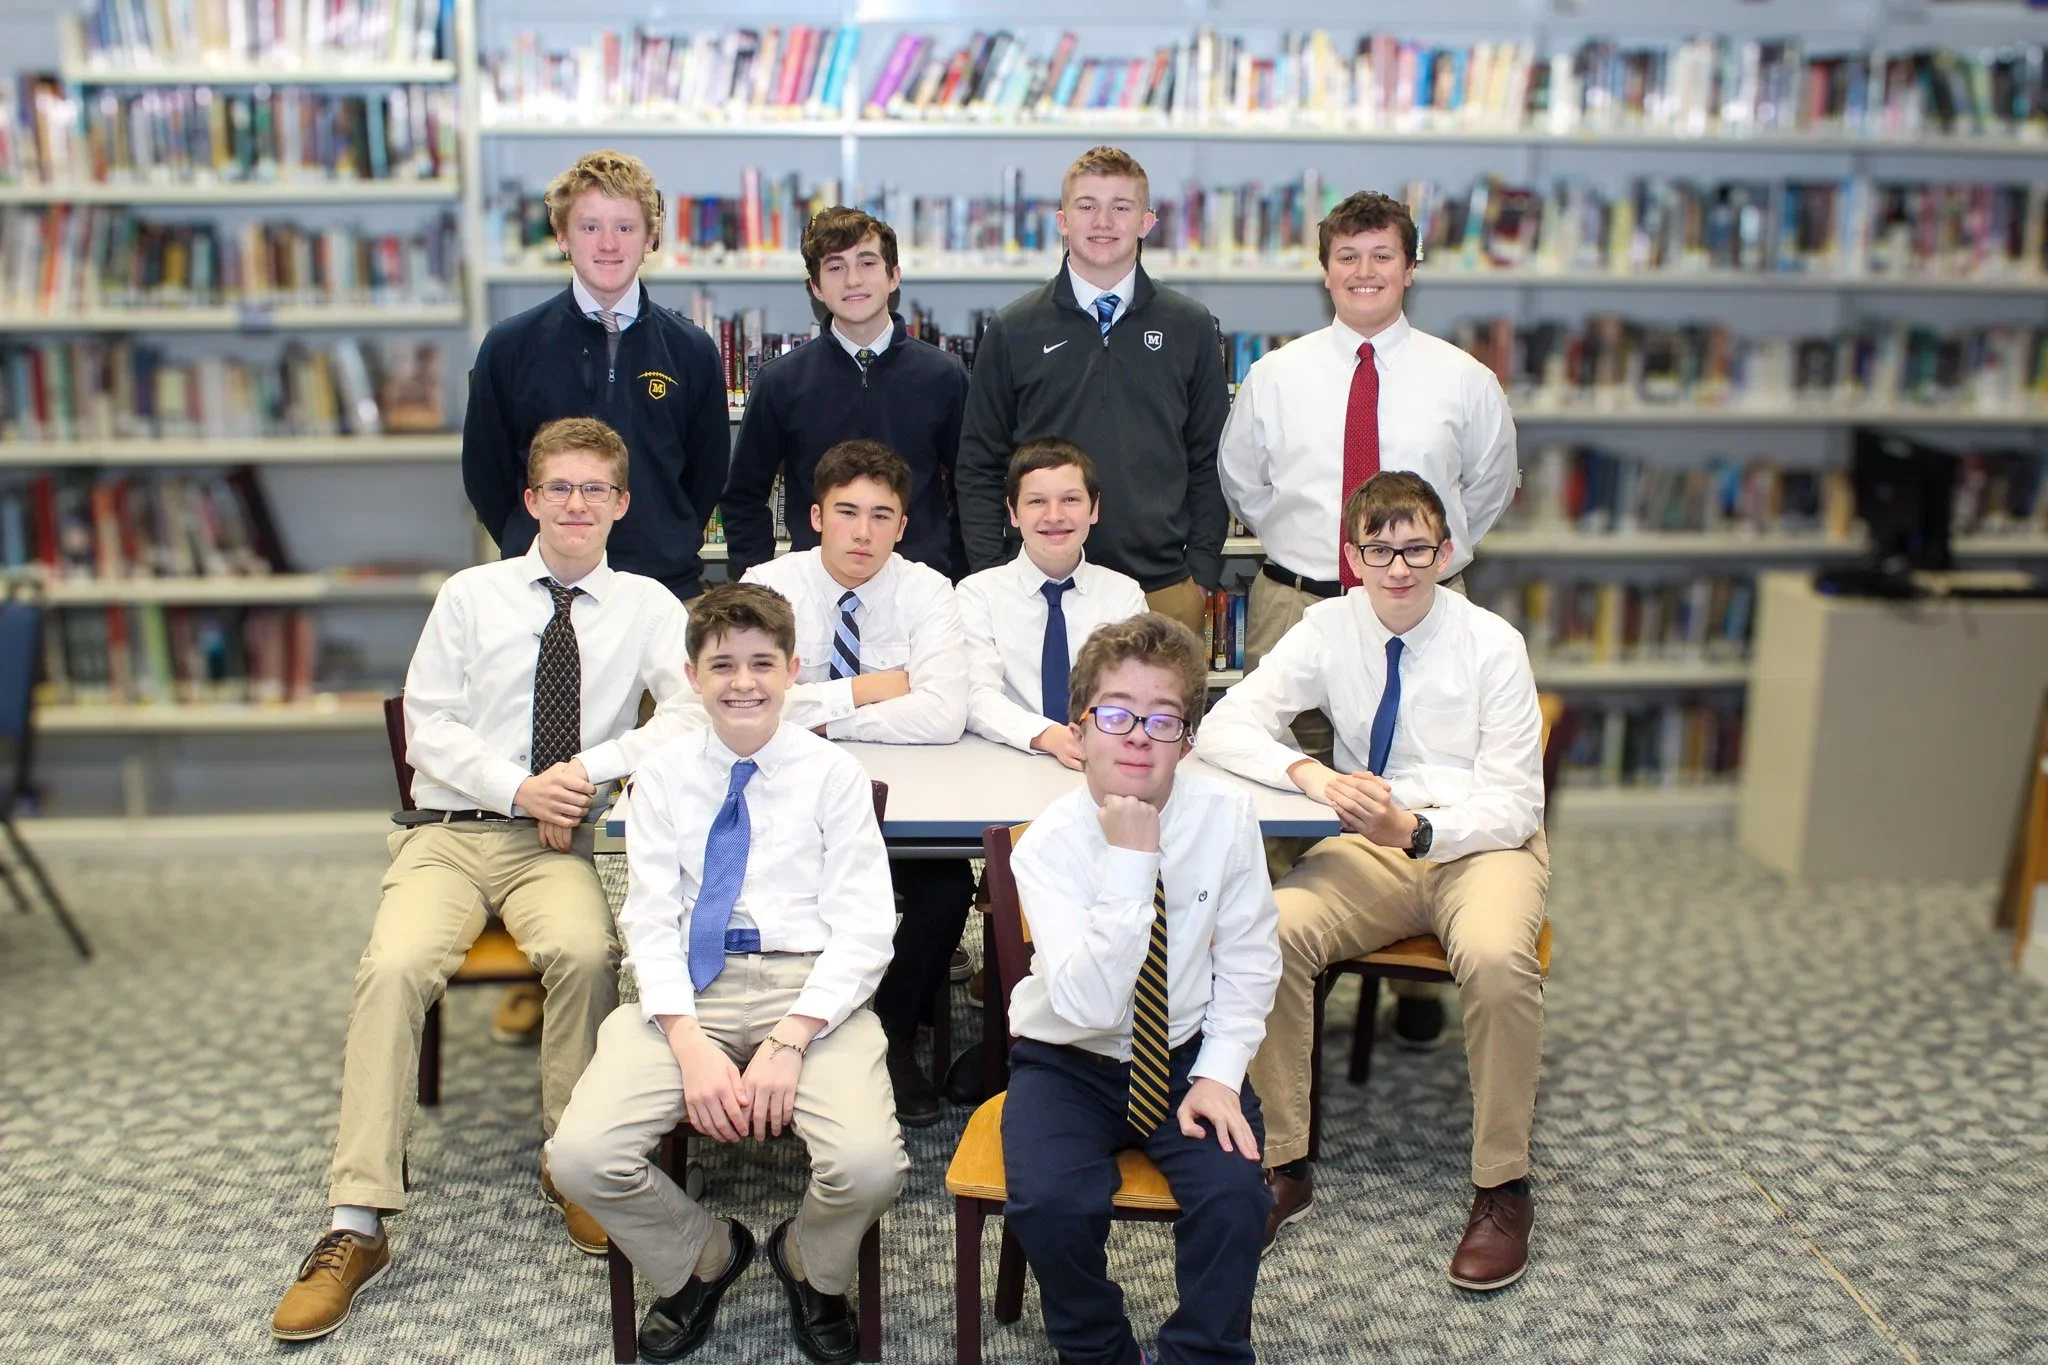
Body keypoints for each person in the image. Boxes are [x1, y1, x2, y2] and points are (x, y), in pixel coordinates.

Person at [271, 417, 698, 1342]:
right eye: (560, 488)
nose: (577, 504)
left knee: (587, 952)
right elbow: (427, 727)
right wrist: (517, 785)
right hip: (450, 835)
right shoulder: (471, 595)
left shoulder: (650, 606)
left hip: (557, 841)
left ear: (622, 504)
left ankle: (572, 1160)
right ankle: (356, 1219)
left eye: (595, 489)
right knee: (393, 968)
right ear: (531, 500)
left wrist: (583, 771)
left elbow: (691, 714)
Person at [1198, 471, 1549, 1290]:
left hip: (1482, 843)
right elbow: (1225, 724)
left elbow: (1515, 801)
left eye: (1416, 548)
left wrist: (1420, 830)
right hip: (1372, 845)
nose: (1398, 567)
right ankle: (1283, 1161)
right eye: (1380, 550)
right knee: (1272, 929)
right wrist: (1312, 776)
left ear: (1446, 552)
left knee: (1497, 960)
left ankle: (1503, 1185)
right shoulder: (1328, 627)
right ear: (1351, 557)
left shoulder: (1492, 642)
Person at [548, 583, 907, 1365]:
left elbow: (866, 927)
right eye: (722, 665)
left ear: (793, 669)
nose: (743, 682)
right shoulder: (661, 776)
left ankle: (807, 1259)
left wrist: (791, 1037)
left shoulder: (833, 774)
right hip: (689, 990)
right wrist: (687, 1042)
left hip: (808, 989)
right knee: (578, 1156)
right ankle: (705, 1253)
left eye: (762, 663)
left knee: (870, 1165)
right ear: (692, 676)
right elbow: (648, 919)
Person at [1219, 188, 1519, 1049]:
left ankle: (1414, 953)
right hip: (1300, 601)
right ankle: (1288, 978)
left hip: (1420, 606)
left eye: (1382, 255)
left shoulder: (1464, 379)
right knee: (1276, 786)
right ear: (1324, 271)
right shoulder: (1276, 375)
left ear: (1411, 268)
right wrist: (1319, 550)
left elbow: (1488, 489)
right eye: (1346, 257)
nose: (1364, 272)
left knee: (1429, 776)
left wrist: (1412, 566)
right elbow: (1244, 482)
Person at [462, 148, 730, 1048]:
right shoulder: (513, 345)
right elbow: (488, 470)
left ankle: (681, 975)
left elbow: (704, 472)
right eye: (590, 226)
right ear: (562, 235)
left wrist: (661, 546)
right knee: (548, 786)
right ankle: (545, 969)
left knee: (679, 787)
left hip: (661, 598)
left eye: (625, 226)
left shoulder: (688, 350)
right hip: (547, 605)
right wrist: (542, 550)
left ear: (651, 236)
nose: (608, 242)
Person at [1003, 612, 1280, 1365]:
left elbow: (1251, 958)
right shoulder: (1048, 845)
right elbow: (1090, 1006)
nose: (1137, 737)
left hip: (1184, 1053)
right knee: (1051, 1203)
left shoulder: (1226, 818)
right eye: (1115, 714)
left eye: (1163, 720)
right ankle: (1097, 1349)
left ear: (1187, 740)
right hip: (1068, 1061)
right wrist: (1132, 862)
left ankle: (1204, 1353)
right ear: (1079, 730)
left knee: (1236, 1199)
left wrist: (1220, 1073)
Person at [741, 440, 970, 1127]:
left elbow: (942, 714)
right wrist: (867, 690)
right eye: (846, 512)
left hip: (904, 794)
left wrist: (815, 714)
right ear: (815, 517)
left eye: (881, 515)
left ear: (903, 525)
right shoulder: (768, 585)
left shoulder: (927, 590)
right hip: (789, 802)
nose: (863, 532)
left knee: (947, 888)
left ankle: (892, 1033)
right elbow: (747, 701)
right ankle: (789, 1022)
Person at [954, 145, 1231, 639]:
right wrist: (992, 571)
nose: (1103, 221)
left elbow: (1209, 457)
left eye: (1121, 206)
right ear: (1062, 221)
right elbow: (980, 463)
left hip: (1161, 588)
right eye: (1087, 206)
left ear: (1147, 222)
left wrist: (1201, 572)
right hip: (1040, 587)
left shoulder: (1190, 326)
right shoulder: (1014, 328)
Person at [722, 205, 970, 579]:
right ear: (816, 287)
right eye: (835, 267)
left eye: (867, 263)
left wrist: (955, 575)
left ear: (894, 276)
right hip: (814, 589)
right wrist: (763, 588)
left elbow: (971, 488)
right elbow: (743, 495)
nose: (853, 280)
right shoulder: (780, 381)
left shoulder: (944, 375)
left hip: (919, 586)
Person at [956, 438, 1148, 768]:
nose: (1054, 516)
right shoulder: (977, 595)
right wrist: (1048, 736)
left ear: (1094, 508)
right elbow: (975, 695)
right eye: (1036, 501)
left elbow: (1137, 691)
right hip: (1008, 758)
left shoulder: (1124, 596)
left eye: (1070, 499)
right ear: (1013, 512)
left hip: (1101, 759)